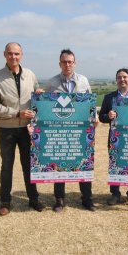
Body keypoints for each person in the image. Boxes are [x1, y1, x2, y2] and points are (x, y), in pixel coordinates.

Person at [0, 42, 44, 216]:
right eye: (10, 53)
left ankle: (33, 199)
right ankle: (5, 202)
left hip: (27, 129)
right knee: (7, 166)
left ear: (22, 55)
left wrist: (39, 93)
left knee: (29, 165)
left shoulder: (30, 74)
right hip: (7, 129)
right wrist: (16, 113)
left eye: (17, 54)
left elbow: (36, 94)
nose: (14, 57)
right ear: (4, 54)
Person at [45, 48, 96, 212]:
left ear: (75, 63)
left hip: (80, 131)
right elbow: (45, 106)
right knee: (59, 163)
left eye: (70, 61)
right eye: (64, 61)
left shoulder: (83, 81)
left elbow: (90, 103)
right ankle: (59, 200)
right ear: (59, 63)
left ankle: (87, 199)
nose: (67, 64)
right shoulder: (52, 83)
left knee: (84, 162)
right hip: (59, 132)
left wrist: (93, 118)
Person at [99, 68, 128, 205]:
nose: (122, 79)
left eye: (125, 77)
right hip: (115, 139)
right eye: (119, 77)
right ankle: (115, 194)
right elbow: (101, 117)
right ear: (116, 80)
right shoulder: (109, 97)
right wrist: (108, 116)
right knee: (115, 165)